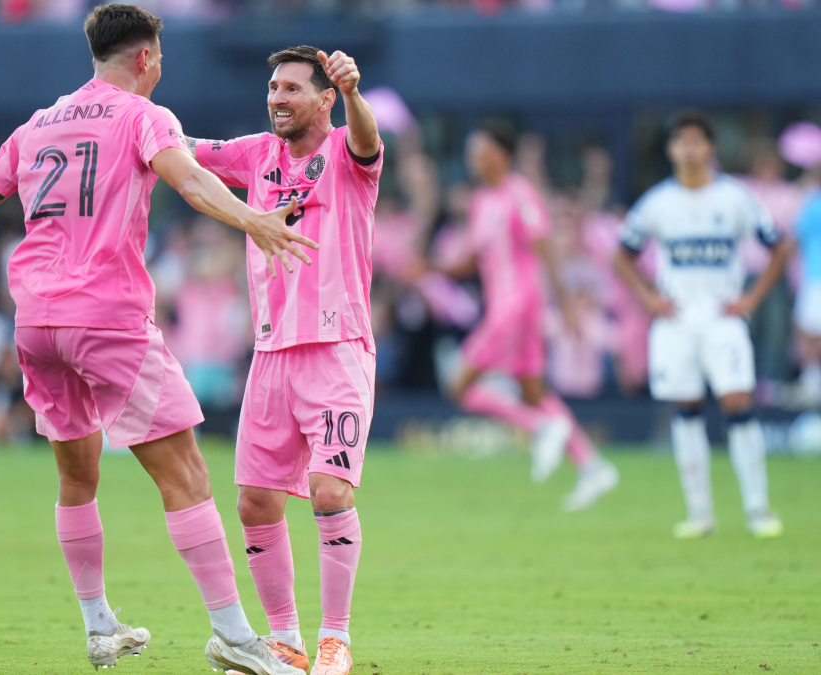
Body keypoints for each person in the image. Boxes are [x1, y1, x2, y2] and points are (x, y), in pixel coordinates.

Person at [0, 5, 314, 674]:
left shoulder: (37, 125)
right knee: (184, 471)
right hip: (107, 316)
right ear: (145, 59)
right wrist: (254, 220)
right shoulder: (144, 116)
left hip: (37, 321)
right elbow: (187, 178)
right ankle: (237, 634)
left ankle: (99, 624)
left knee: (77, 474)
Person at [187, 45, 381, 675]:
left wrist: (355, 93)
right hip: (270, 355)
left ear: (325, 100)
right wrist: (128, 117)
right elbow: (183, 149)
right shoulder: (255, 155)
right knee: (254, 502)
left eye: (293, 89)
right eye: (273, 87)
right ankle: (286, 641)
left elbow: (367, 139)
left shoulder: (349, 154)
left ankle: (337, 640)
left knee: (330, 491)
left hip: (337, 349)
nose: (277, 98)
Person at [614, 110, 792, 539]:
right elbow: (621, 254)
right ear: (671, 149)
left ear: (710, 147)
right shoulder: (658, 203)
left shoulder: (734, 198)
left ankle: (757, 509)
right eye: (682, 142)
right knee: (687, 410)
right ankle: (700, 513)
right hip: (676, 322)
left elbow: (779, 246)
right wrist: (648, 297)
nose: (689, 150)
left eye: (697, 141)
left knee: (739, 405)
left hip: (721, 319)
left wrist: (751, 297)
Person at [426, 122, 619, 512]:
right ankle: (593, 465)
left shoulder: (519, 192)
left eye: (479, 151)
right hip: (504, 307)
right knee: (533, 392)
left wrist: (563, 304)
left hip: (518, 305)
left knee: (458, 385)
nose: (473, 160)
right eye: (471, 153)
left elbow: (544, 246)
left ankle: (540, 427)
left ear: (501, 155)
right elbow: (477, 259)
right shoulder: (482, 201)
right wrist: (433, 269)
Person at [794, 186, 821, 402]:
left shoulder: (813, 204)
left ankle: (812, 384)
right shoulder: (813, 204)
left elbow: (794, 237)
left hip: (815, 279)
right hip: (815, 277)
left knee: (810, 335)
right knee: (810, 334)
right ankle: (812, 384)